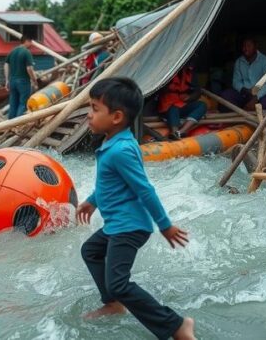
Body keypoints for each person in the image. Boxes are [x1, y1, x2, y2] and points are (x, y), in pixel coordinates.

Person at [76, 77, 194, 340]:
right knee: (91, 250)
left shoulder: (121, 151)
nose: (89, 114)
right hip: (119, 223)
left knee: (119, 283)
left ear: (117, 116)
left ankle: (176, 326)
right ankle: (113, 304)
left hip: (129, 227)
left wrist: (165, 226)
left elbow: (145, 189)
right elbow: (112, 183)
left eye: (95, 108)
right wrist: (92, 201)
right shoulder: (117, 142)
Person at [221, 38, 266, 111]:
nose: (245, 49)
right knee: (226, 95)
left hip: (261, 94)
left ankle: (250, 111)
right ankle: (242, 111)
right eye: (244, 46)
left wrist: (256, 97)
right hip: (245, 93)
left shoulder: (265, 61)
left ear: (256, 47)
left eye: (249, 46)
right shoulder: (239, 62)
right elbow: (236, 82)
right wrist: (245, 90)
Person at [157, 64, 207, 140]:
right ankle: (174, 132)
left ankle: (181, 132)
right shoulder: (167, 72)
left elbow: (197, 92)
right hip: (168, 106)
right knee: (173, 109)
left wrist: (190, 97)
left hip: (183, 104)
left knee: (202, 105)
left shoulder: (190, 73)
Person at [4, 37, 38, 119]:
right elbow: (29, 68)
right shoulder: (26, 52)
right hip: (23, 81)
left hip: (12, 80)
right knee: (23, 103)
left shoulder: (12, 51)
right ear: (26, 41)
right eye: (30, 41)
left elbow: (6, 65)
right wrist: (34, 80)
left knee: (13, 103)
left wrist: (7, 80)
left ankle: (10, 124)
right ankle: (18, 124)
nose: (31, 44)